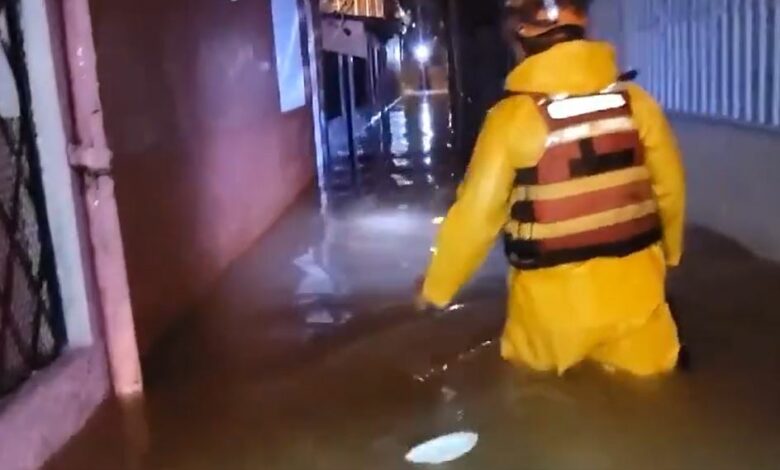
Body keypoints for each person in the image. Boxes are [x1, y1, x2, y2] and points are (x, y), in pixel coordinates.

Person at [418, 0, 686, 376]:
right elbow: (670, 190)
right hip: (638, 308)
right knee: (653, 402)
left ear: (519, 36)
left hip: (548, 323)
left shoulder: (510, 120)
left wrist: (436, 289)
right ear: (585, 24)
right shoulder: (638, 105)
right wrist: (671, 254)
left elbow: (475, 218)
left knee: (539, 406)